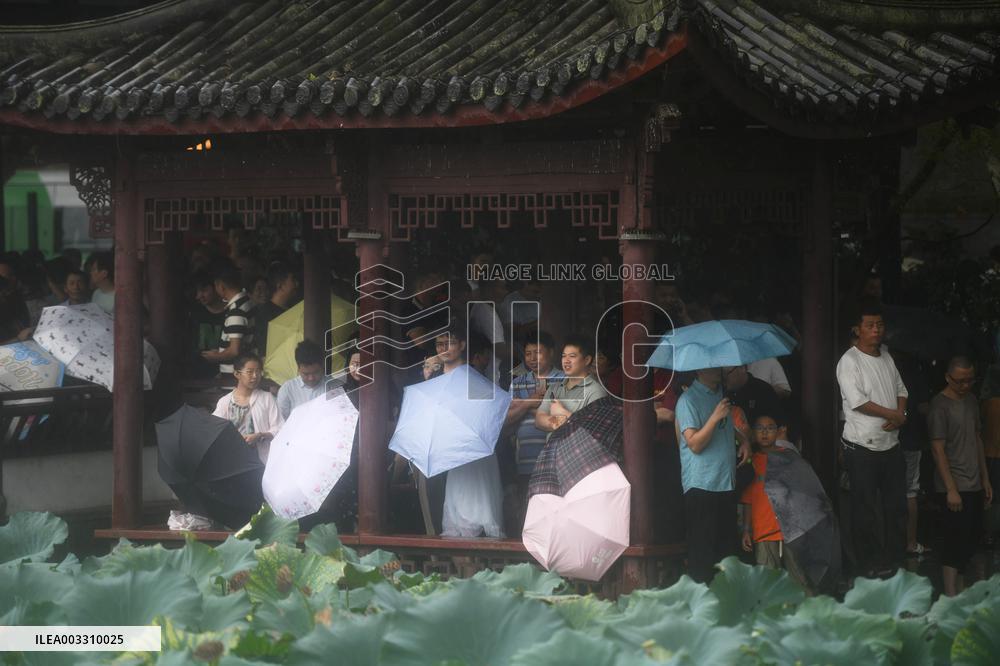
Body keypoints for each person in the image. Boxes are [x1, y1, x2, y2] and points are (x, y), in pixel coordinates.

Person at [836, 300, 909, 577]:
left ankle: (895, 560)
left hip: (891, 445)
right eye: (870, 325)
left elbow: (902, 389)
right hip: (862, 447)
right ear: (858, 329)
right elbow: (858, 402)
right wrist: (893, 413)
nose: (876, 330)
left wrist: (900, 413)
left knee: (896, 507)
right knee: (864, 510)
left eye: (879, 324)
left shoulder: (887, 356)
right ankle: (868, 565)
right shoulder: (849, 361)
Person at [676, 365, 752, 583]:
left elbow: (726, 426)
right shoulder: (688, 400)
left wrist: (744, 439)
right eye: (712, 366)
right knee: (702, 553)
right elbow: (694, 444)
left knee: (726, 551)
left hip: (725, 481)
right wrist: (715, 416)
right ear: (698, 370)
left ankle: (724, 604)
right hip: (701, 484)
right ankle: (702, 606)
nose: (719, 370)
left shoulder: (720, 394)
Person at [929, 356, 994, 596]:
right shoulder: (940, 405)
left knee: (970, 540)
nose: (965, 386)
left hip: (974, 481)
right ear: (948, 377)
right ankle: (950, 595)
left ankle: (961, 589)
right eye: (960, 381)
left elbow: (978, 439)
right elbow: (937, 449)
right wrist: (951, 489)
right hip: (953, 484)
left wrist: (985, 478)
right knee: (953, 543)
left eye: (970, 380)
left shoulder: (972, 401)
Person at [436, 325, 505, 537]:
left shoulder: (473, 377)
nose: (444, 348)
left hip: (476, 451)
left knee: (477, 509)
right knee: (456, 518)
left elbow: (492, 412)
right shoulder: (435, 378)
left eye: (450, 343)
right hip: (452, 454)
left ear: (462, 345)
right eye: (439, 344)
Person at [741, 412, 809, 590]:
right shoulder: (751, 462)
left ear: (779, 432)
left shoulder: (789, 458)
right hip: (763, 528)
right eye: (760, 429)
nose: (765, 433)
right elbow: (748, 499)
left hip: (790, 528)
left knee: (799, 578)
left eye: (770, 428)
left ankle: (806, 614)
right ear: (753, 433)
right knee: (767, 582)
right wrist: (746, 529)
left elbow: (801, 494)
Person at [212, 354, 283, 464]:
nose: (255, 376)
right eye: (250, 372)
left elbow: (279, 428)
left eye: (258, 372)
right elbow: (215, 429)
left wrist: (260, 436)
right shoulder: (225, 402)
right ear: (237, 374)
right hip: (232, 460)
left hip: (261, 461)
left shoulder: (267, 398)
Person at [535, 335, 609, 437]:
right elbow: (539, 419)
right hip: (553, 451)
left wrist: (563, 413)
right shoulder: (554, 388)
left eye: (572, 356)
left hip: (579, 452)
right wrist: (557, 422)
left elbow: (593, 431)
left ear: (587, 360)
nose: (566, 360)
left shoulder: (596, 392)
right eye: (564, 356)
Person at [201, 262, 255, 375]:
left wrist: (215, 357)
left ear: (220, 286)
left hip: (234, 374)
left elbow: (234, 350)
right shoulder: (246, 302)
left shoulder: (237, 310)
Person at [255, 262, 300, 357]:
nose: (297, 284)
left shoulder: (295, 309)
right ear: (280, 285)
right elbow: (263, 350)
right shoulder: (264, 313)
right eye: (293, 280)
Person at [276, 340, 326, 419]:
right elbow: (281, 423)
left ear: (323, 366)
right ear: (298, 369)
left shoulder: (335, 386)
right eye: (306, 374)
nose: (311, 378)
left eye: (316, 372)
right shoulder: (287, 390)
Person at [88, 250, 115, 315]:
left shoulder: (120, 298)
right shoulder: (96, 293)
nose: (90, 273)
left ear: (104, 273)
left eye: (94, 269)